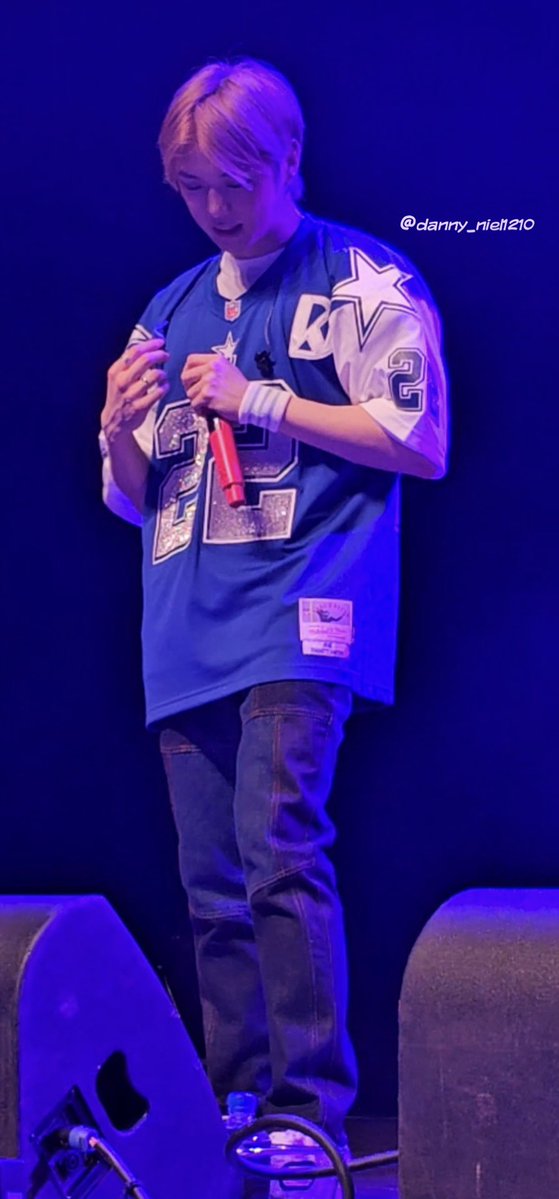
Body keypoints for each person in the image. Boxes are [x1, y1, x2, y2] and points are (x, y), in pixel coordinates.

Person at [99, 57, 448, 1192]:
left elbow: (419, 437)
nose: (213, 207)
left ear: (287, 158)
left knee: (277, 848)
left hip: (300, 610)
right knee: (210, 884)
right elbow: (132, 495)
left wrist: (260, 396)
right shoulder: (166, 308)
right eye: (191, 187)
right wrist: (116, 428)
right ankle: (242, 1100)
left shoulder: (357, 277)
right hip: (183, 627)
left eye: (232, 183)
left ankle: (309, 1107)